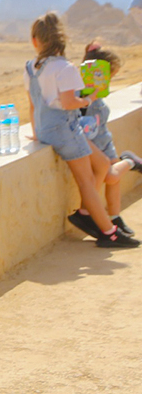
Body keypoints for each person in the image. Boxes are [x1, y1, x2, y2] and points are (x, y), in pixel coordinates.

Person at [26, 14, 136, 248]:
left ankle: (95, 217)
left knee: (103, 164)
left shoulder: (30, 68)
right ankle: (108, 232)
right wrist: (88, 100)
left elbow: (33, 105)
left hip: (46, 130)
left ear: (35, 41)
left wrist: (37, 134)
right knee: (86, 182)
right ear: (62, 39)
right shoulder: (65, 68)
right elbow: (68, 104)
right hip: (66, 131)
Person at [79, 41, 139, 237]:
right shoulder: (78, 88)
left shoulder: (99, 92)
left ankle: (115, 217)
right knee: (112, 175)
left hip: (104, 140)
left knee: (114, 182)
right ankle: (130, 161)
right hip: (92, 144)